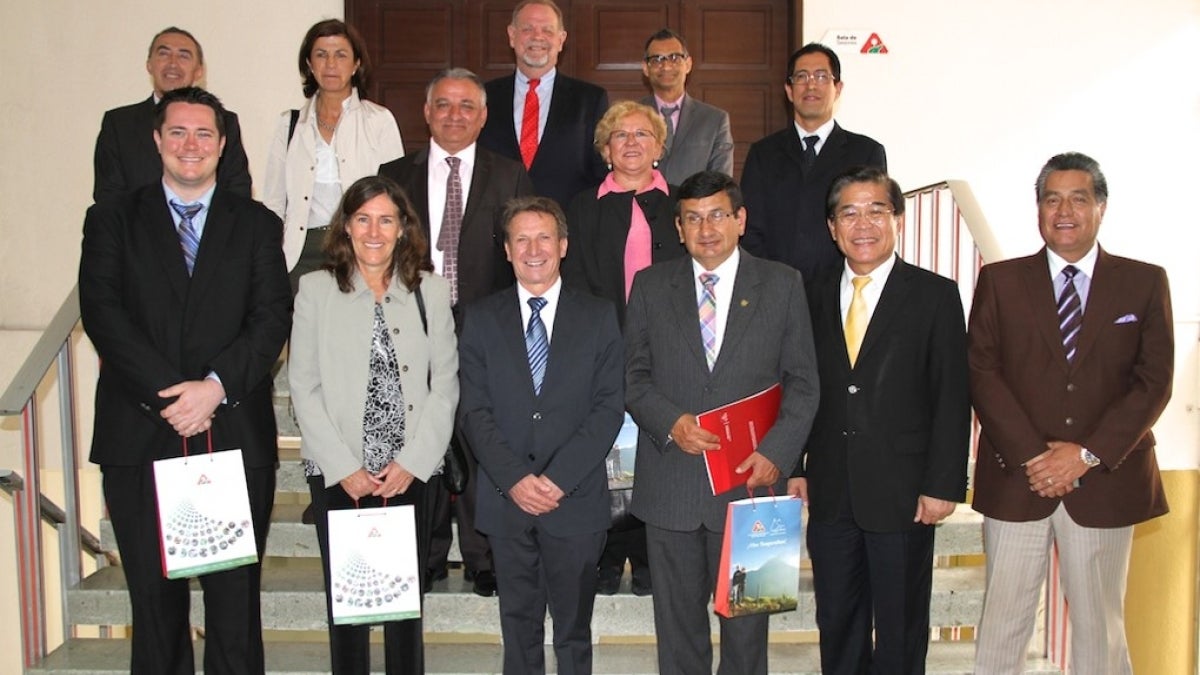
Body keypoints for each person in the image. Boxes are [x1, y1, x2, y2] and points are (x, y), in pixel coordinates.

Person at [78, 86, 292, 675]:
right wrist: (172, 397)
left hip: (231, 431)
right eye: (178, 132)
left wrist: (214, 388)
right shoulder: (112, 219)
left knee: (233, 610)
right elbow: (103, 313)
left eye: (204, 134)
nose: (190, 145)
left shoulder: (256, 224)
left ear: (223, 145)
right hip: (139, 434)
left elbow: (271, 318)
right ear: (157, 141)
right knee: (154, 605)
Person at [970, 152, 1173, 674]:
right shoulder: (1001, 281)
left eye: (1078, 198)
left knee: (1100, 630)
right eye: (1052, 198)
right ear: (1038, 210)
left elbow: (1153, 384)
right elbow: (983, 374)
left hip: (1106, 480)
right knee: (1002, 627)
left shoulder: (1144, 283)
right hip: (1019, 480)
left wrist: (1084, 454)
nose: (1065, 210)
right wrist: (1035, 457)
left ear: (1100, 207)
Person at [624, 170, 820, 674]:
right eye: (693, 218)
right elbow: (633, 377)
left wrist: (778, 454)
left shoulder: (782, 283)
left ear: (740, 220)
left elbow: (803, 382)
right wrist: (671, 423)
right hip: (672, 486)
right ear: (679, 226)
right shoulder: (649, 285)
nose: (705, 228)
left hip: (754, 487)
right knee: (677, 630)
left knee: (749, 629)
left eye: (716, 215)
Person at [787, 166, 970, 674]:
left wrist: (943, 485)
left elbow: (952, 395)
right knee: (838, 623)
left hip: (905, 492)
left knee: (901, 627)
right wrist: (796, 462)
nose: (862, 223)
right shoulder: (808, 291)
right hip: (831, 489)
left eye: (876, 210)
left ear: (898, 220)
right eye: (848, 212)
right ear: (831, 227)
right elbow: (800, 384)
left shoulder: (934, 294)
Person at [288, 175, 458, 675]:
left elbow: (445, 383)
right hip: (341, 473)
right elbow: (304, 386)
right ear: (345, 226)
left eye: (386, 219)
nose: (374, 231)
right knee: (349, 610)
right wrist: (344, 467)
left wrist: (413, 462)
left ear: (404, 228)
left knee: (406, 610)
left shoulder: (430, 288)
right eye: (363, 219)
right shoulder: (316, 290)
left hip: (409, 471)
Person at [379, 67, 535, 598]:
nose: (454, 115)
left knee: (478, 438)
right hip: (411, 328)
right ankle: (422, 555)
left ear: (483, 116)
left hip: (484, 329)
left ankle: (481, 554)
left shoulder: (509, 175)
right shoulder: (393, 174)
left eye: (467, 106)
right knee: (419, 440)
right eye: (443, 104)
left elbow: (522, 253)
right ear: (426, 112)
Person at [458, 196, 624, 675]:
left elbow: (608, 407)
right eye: (521, 239)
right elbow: (474, 409)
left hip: (575, 501)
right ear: (507, 251)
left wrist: (557, 480)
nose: (534, 249)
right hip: (506, 502)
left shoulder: (598, 316)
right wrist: (515, 479)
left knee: (573, 633)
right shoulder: (480, 318)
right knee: (519, 630)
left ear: (564, 245)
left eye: (544, 237)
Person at [563, 99, 685, 596]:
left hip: (671, 350)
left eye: (642, 134)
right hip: (604, 348)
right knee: (608, 454)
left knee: (660, 450)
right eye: (620, 135)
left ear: (658, 147)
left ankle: (651, 556)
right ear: (605, 148)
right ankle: (611, 555)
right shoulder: (581, 204)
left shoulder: (680, 204)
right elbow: (573, 282)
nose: (631, 142)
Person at [264, 19, 405, 291]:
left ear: (356, 65)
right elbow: (274, 201)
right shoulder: (289, 124)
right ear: (309, 64)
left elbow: (394, 197)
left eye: (340, 55)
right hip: (299, 253)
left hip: (361, 249)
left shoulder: (379, 121)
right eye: (321, 55)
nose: (330, 64)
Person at [741, 43, 886, 284]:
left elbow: (870, 226)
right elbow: (750, 228)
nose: (811, 84)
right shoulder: (763, 153)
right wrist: (771, 282)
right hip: (776, 287)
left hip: (841, 290)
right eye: (801, 77)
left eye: (821, 76)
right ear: (789, 90)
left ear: (837, 88)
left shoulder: (866, 152)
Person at [93, 27, 251, 204]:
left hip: (210, 230)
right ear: (149, 65)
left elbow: (238, 191)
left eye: (184, 55)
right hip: (133, 230)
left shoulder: (224, 122)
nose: (173, 63)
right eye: (164, 54)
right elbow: (108, 196)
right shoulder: (120, 124)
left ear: (199, 70)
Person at [477, 0, 609, 211]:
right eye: (527, 29)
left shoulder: (590, 100)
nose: (537, 37)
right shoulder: (484, 97)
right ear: (512, 35)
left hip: (567, 231)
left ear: (561, 39)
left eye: (547, 30)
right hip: (498, 232)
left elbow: (602, 172)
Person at [637, 28, 733, 185]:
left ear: (688, 64)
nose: (666, 66)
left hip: (694, 208)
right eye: (657, 59)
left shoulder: (715, 120)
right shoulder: (630, 117)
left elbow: (721, 182)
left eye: (674, 58)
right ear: (646, 68)